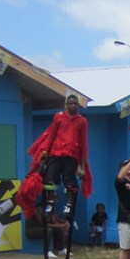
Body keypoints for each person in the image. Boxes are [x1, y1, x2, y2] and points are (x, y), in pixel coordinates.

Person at [28, 93, 92, 221]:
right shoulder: (59, 117)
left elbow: (83, 141)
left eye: (75, 104)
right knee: (50, 178)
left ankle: (69, 204)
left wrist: (83, 160)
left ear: (78, 105)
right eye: (71, 103)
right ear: (66, 105)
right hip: (56, 152)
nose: (73, 106)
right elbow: (51, 134)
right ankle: (50, 203)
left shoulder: (82, 121)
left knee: (69, 180)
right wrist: (45, 150)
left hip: (71, 154)